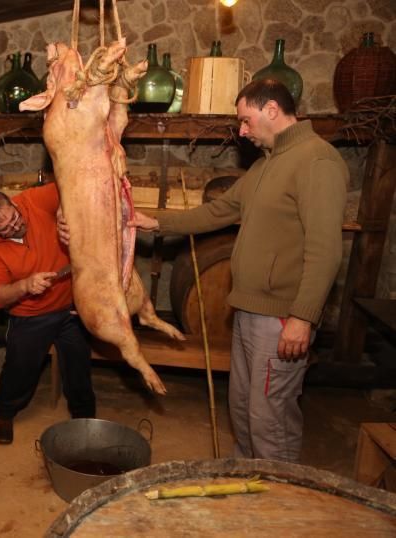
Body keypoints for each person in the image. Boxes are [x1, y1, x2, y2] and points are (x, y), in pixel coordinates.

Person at [130, 79, 348, 462]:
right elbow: (217, 211)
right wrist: (151, 222)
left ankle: (279, 499)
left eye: (245, 121)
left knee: (270, 419)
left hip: (280, 316)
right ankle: (246, 485)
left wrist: (302, 316)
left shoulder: (317, 160)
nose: (242, 131)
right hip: (248, 311)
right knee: (245, 408)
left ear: (272, 110)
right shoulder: (269, 165)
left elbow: (326, 248)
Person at [0, 183, 96, 445]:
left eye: (14, 216)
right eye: (6, 228)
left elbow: (70, 185)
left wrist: (64, 212)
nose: (16, 225)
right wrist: (24, 286)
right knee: (20, 368)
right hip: (31, 314)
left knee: (79, 363)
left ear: (13, 203)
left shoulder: (32, 200)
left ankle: (84, 417)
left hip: (70, 304)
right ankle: (5, 412)